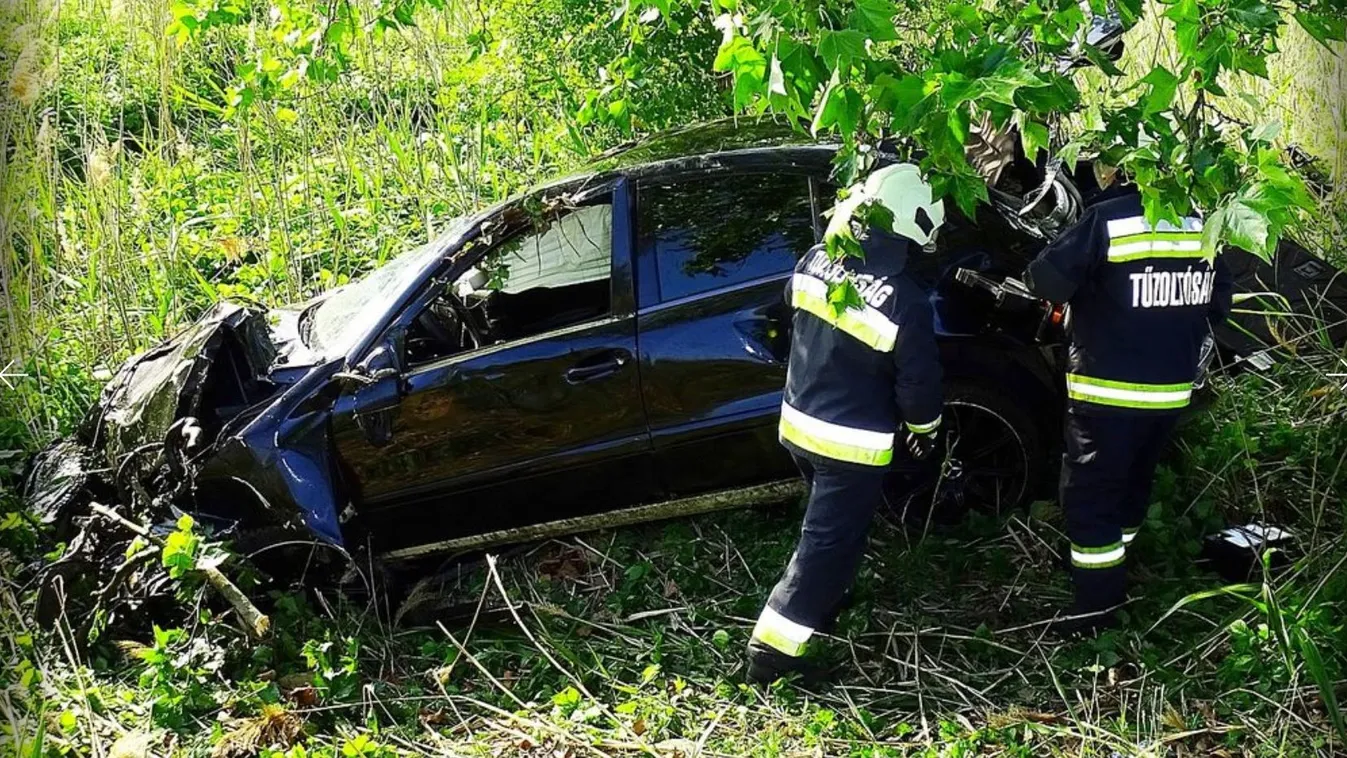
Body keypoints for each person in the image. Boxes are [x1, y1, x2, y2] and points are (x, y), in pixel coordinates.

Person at [746, 164, 946, 683]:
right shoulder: (906, 299)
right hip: (850, 448)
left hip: (798, 425)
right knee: (824, 546)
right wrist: (925, 431)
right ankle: (772, 657)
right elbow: (918, 386)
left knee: (836, 531)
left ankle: (828, 596)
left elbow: (786, 316)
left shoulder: (817, 258)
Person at [1024, 170, 1233, 632]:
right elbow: (1219, 306)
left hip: (1106, 394)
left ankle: (1096, 613)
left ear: (1119, 169)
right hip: (1171, 393)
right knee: (1133, 483)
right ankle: (1112, 560)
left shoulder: (1107, 219)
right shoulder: (1203, 222)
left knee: (1090, 497)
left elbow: (1044, 282)